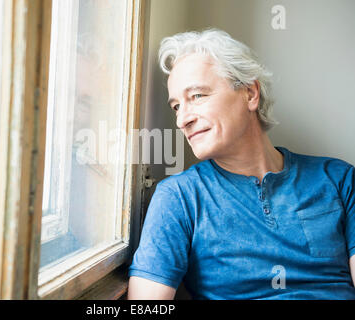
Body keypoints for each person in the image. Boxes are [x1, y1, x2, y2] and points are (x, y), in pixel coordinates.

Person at [127, 28, 355, 300]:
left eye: (197, 96)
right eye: (176, 106)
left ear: (250, 94)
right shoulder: (177, 197)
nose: (182, 120)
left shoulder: (338, 179)